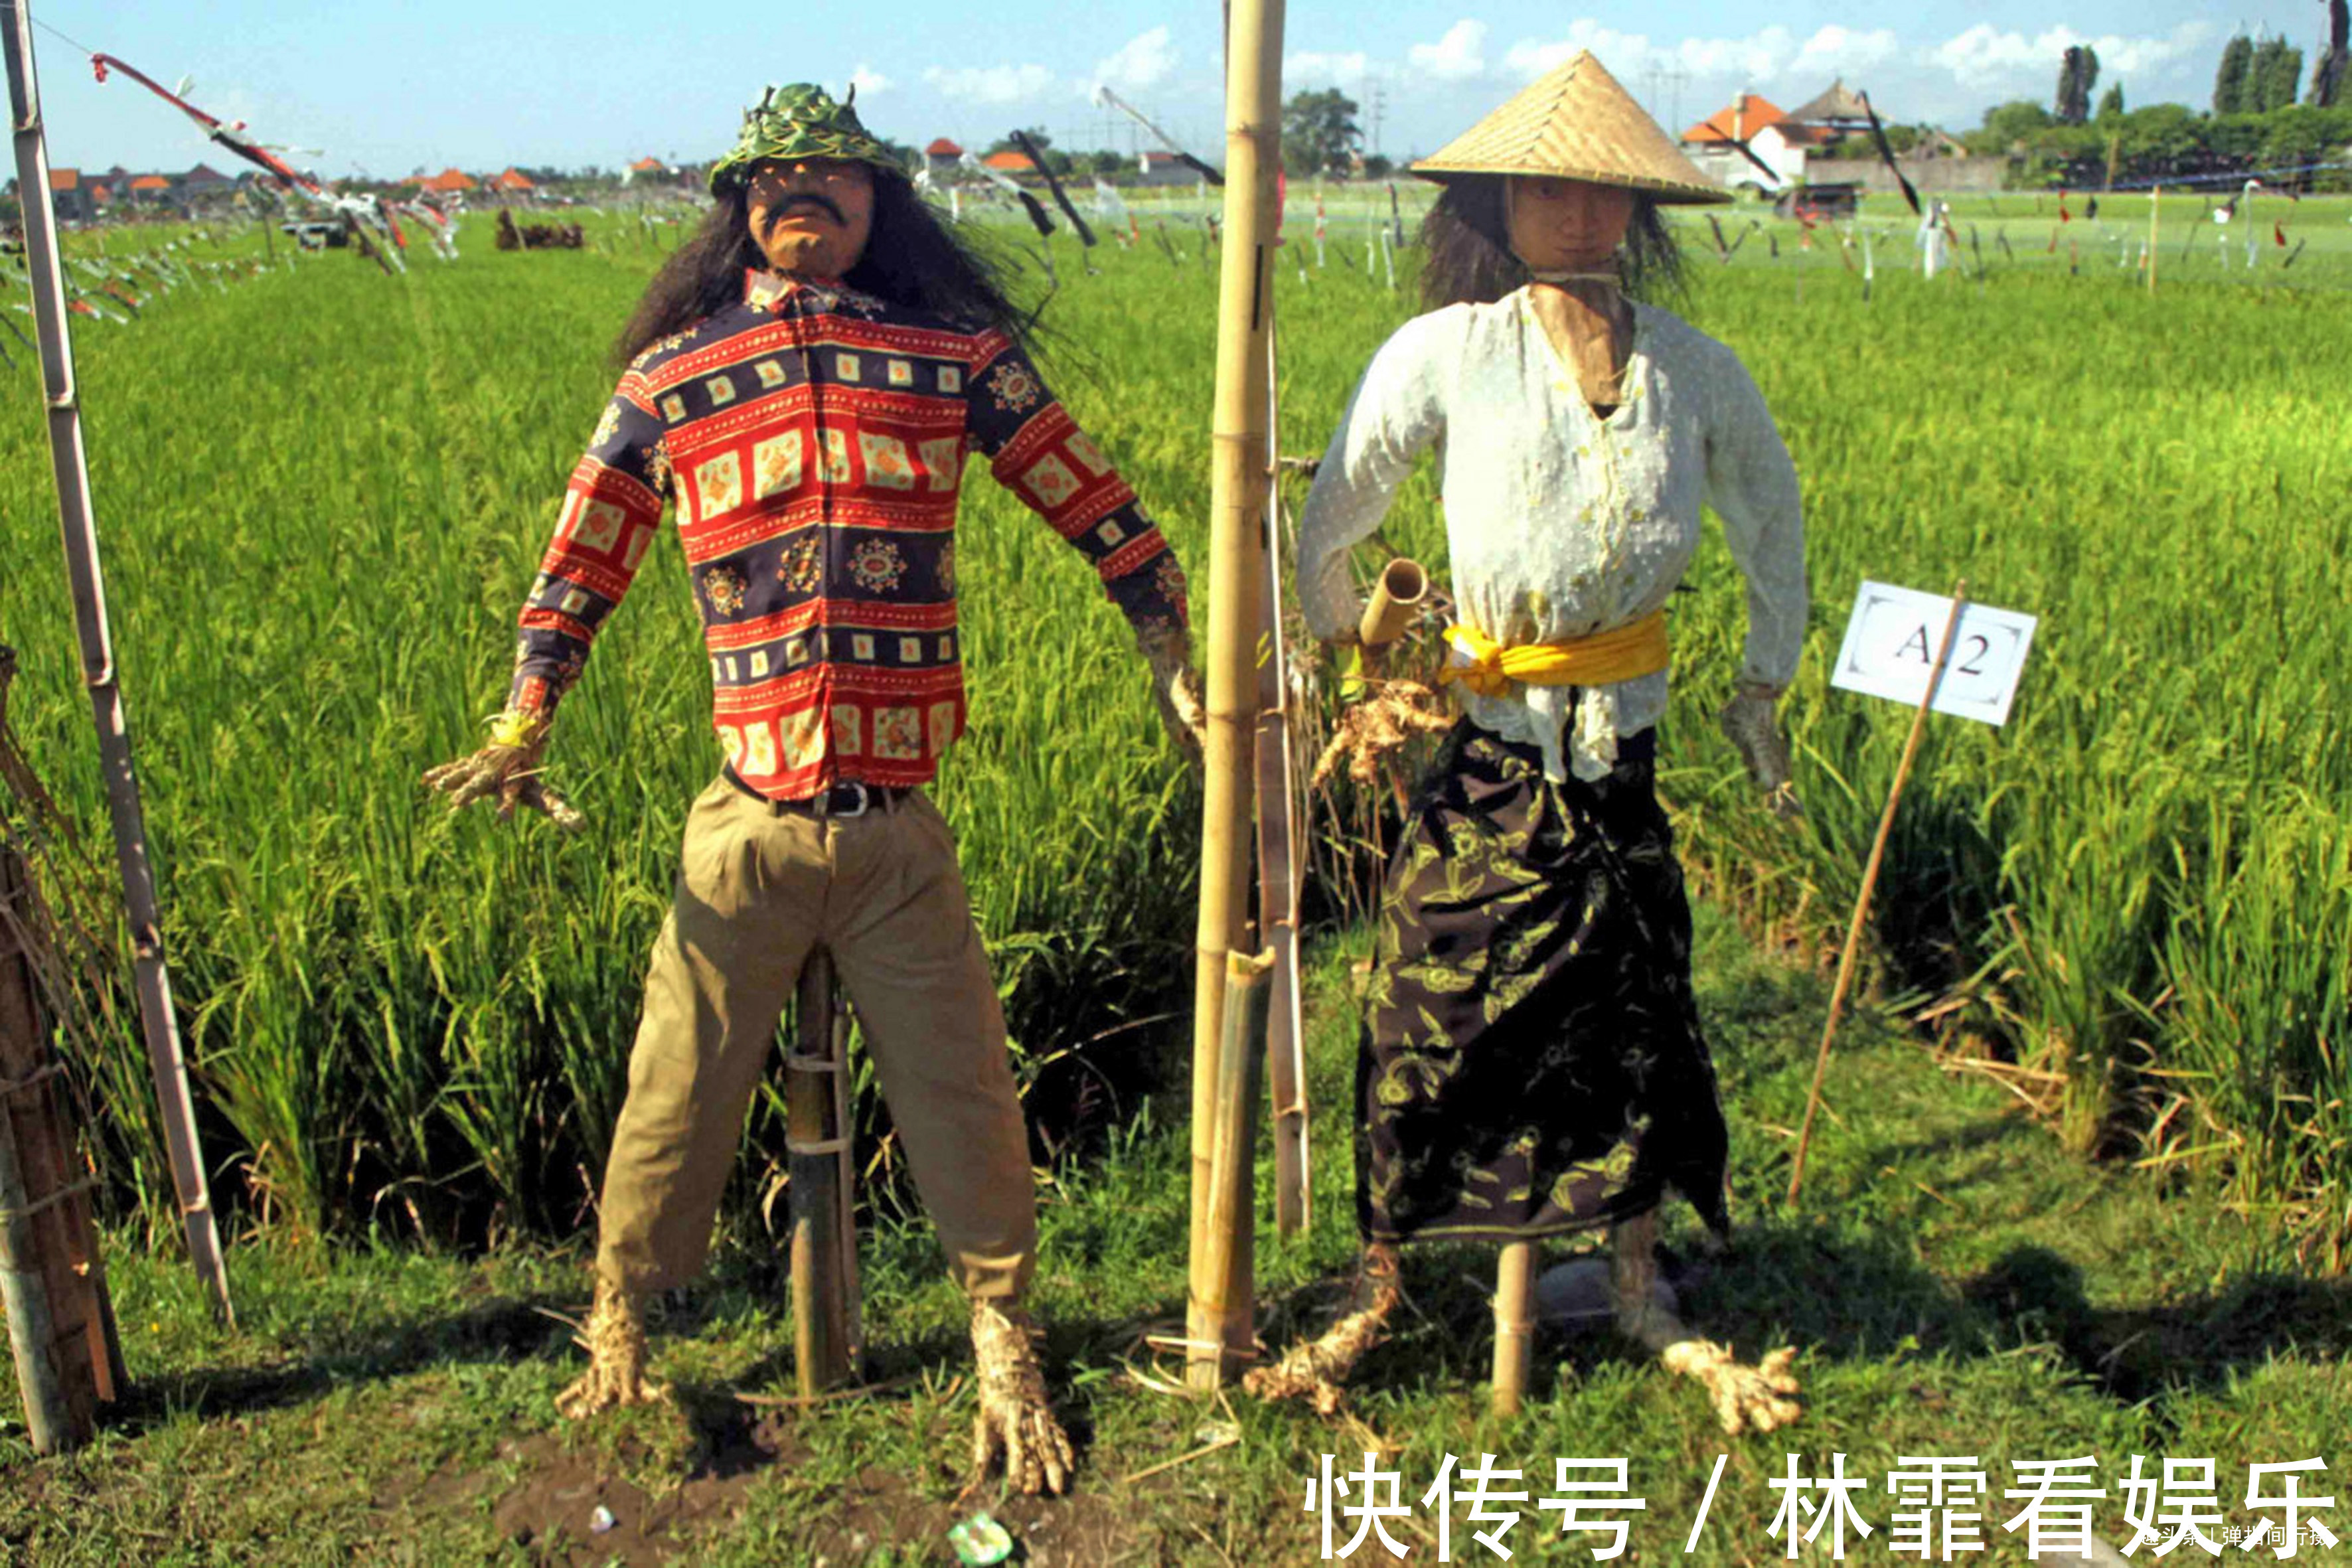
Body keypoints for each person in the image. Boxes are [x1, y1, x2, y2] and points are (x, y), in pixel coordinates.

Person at [422, 82, 1202, 1494]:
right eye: (776, 178)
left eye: (834, 178)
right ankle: (618, 1320)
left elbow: (1092, 494)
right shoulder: (672, 379)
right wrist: (523, 717)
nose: (804, 196)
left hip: (894, 825)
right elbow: (583, 552)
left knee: (963, 1087)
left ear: (877, 202)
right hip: (748, 815)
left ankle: (1002, 1338)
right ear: (739, 204)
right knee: (675, 1081)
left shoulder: (951, 357)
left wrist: (1167, 644)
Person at [1247, 52, 1806, 1433]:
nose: (1577, 214)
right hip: (1489, 753)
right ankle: (1382, 1282)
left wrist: (1759, 686)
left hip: (1620, 759)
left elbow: (1772, 523)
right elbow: (1336, 522)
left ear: (1636, 206)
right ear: (1502, 197)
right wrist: (1381, 654)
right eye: (1550, 188)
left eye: (1603, 192)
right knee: (1432, 1011)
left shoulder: (1693, 370)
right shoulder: (1448, 351)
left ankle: (1626, 1275)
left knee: (1625, 1023)